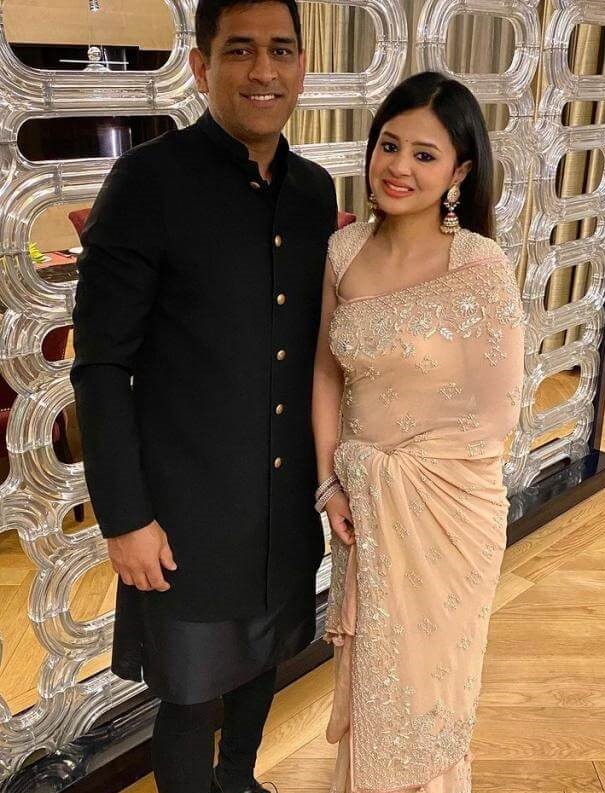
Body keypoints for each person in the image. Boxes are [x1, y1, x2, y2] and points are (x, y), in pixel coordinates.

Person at [70, 1, 337, 792]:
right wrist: (125, 518)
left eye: (280, 50)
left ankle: (239, 780)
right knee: (188, 693)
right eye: (240, 50)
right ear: (200, 65)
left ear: (301, 66)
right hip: (184, 510)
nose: (263, 70)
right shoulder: (147, 182)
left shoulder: (313, 191)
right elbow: (100, 365)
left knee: (264, 657)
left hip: (282, 500)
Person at [312, 71, 525, 793]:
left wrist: (400, 476)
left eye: (424, 154)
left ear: (459, 172)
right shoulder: (344, 253)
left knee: (431, 687)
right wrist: (331, 485)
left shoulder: (479, 266)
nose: (398, 166)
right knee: (375, 675)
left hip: (450, 512)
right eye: (389, 144)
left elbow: (497, 411)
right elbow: (325, 376)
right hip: (361, 505)